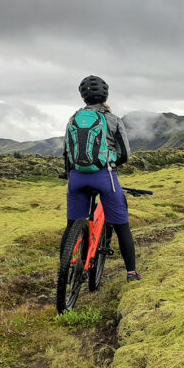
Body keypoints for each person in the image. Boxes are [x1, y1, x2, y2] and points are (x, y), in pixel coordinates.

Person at [60, 75, 141, 282]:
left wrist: (72, 173)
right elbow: (125, 154)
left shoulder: (73, 119)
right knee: (122, 225)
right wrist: (111, 166)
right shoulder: (112, 119)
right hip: (104, 177)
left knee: (71, 227)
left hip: (77, 178)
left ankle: (62, 274)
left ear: (83, 97)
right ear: (105, 95)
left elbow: (68, 152)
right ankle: (131, 273)